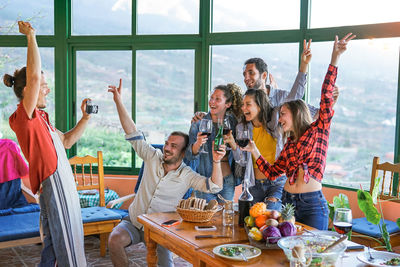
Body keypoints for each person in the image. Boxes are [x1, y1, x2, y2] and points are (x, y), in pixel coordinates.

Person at [242, 33, 356, 230]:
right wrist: (254, 151)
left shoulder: (318, 129)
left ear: (295, 113)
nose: (279, 118)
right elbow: (272, 172)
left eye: (283, 114)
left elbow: (326, 94)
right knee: (289, 255)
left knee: (314, 254)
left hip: (311, 205)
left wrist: (335, 58)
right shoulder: (289, 145)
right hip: (288, 204)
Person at [107, 79, 226, 267]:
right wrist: (118, 101)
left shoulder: (186, 174)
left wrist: (217, 161)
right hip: (135, 221)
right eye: (167, 143)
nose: (167, 148)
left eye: (173, 146)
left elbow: (215, 186)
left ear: (183, 152)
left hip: (161, 229)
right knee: (114, 240)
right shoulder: (153, 156)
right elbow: (132, 131)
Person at [4, 21, 89, 267]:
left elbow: (67, 141)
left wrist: (84, 118)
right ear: (29, 90)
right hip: (54, 183)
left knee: (53, 244)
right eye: (43, 86)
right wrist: (31, 36)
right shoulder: (24, 116)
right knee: (67, 245)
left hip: (62, 181)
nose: (47, 90)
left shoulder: (42, 118)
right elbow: (32, 75)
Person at [225, 40, 313, 211]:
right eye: (243, 105)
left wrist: (303, 66)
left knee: (272, 217)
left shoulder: (274, 120)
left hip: (276, 182)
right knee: (250, 225)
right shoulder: (242, 127)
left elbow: (295, 98)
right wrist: (232, 143)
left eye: (248, 104)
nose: (243, 108)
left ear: (259, 105)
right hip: (253, 183)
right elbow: (242, 160)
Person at [185, 83, 242, 203]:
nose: (212, 102)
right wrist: (197, 144)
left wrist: (232, 142)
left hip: (227, 180)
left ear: (228, 104)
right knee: (207, 218)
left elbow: (241, 154)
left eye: (217, 99)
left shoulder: (234, 123)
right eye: (211, 98)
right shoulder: (199, 123)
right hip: (206, 180)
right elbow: (189, 155)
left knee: (225, 218)